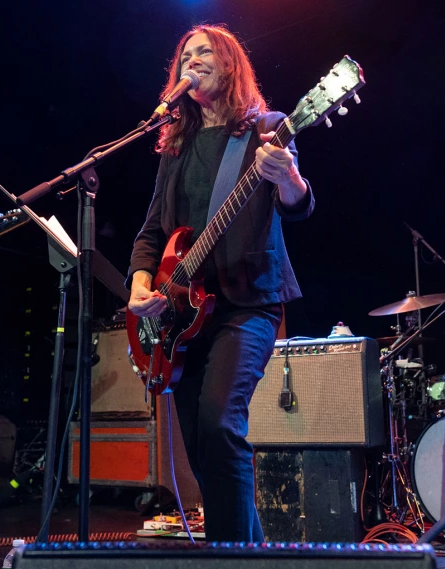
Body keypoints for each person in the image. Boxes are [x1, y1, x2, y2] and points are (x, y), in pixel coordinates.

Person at [126, 24, 314, 542]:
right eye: (186, 54)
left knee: (219, 424)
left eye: (205, 51)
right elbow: (152, 231)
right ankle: (242, 552)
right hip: (182, 317)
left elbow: (297, 206)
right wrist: (142, 283)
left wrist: (289, 178)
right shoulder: (176, 145)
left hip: (246, 304)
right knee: (198, 440)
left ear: (230, 64)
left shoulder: (266, 128)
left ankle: (230, 565)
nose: (193, 59)